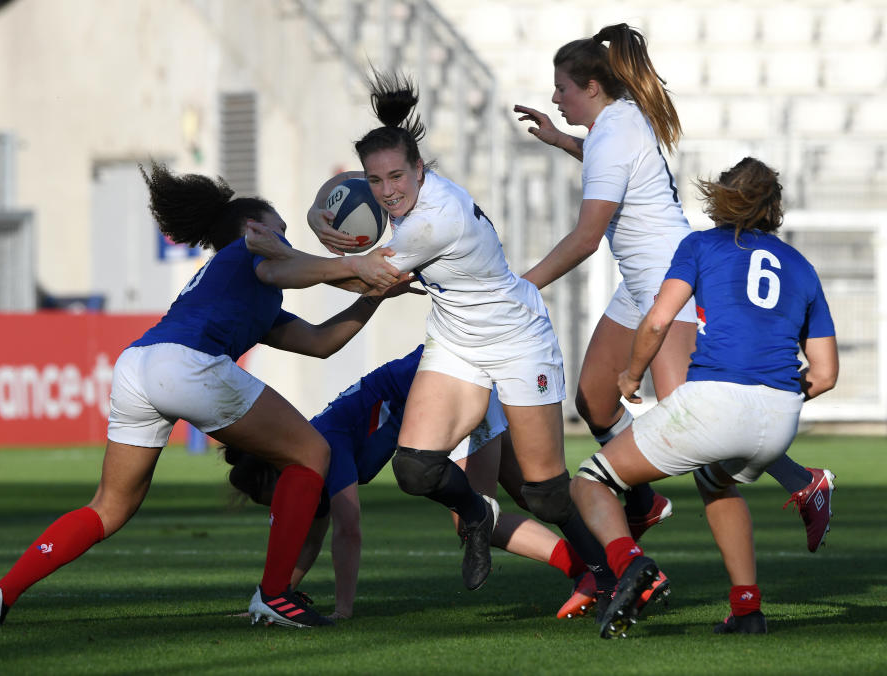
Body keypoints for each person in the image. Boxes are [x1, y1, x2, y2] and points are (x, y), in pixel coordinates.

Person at [0, 161, 418, 630]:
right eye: (280, 228)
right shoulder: (249, 254)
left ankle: (4, 591)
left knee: (109, 506)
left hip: (137, 366)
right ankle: (274, 595)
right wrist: (358, 266)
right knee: (311, 452)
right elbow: (287, 265)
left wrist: (372, 294)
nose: (286, 236)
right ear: (254, 228)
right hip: (185, 363)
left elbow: (320, 343)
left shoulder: (245, 288)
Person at [301, 70, 627, 602]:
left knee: (544, 492)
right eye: (376, 181)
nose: (387, 193)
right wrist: (326, 226)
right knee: (413, 468)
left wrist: (285, 254)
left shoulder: (432, 221)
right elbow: (385, 267)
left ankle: (612, 572)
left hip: (518, 341)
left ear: (420, 170)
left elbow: (365, 275)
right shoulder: (415, 209)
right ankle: (478, 514)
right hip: (457, 342)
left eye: (397, 178)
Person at [513, 23, 834, 552]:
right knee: (595, 400)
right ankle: (642, 502)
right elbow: (608, 168)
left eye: (562, 87)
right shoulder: (613, 126)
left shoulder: (614, 130)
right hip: (638, 284)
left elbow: (588, 238)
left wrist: (523, 286)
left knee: (703, 427)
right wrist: (561, 139)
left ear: (592, 87)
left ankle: (805, 484)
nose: (555, 96)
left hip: (671, 280)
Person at [569, 157, 838, 639]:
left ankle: (630, 565)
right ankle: (747, 609)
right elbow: (826, 374)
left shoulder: (700, 244)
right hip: (780, 418)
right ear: (773, 209)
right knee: (715, 482)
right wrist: (771, 395)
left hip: (714, 402)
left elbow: (657, 320)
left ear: (721, 198)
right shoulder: (802, 266)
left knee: (591, 482)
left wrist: (631, 377)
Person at [223, 346, 671, 620]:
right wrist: (274, 592)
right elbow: (310, 536)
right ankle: (609, 565)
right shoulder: (310, 454)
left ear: (278, 469)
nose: (284, 504)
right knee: (538, 492)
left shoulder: (323, 445)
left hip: (450, 388)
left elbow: (348, 528)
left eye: (273, 496)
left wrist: (343, 609)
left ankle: (602, 569)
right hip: (447, 382)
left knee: (474, 518)